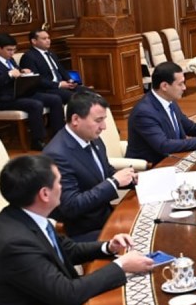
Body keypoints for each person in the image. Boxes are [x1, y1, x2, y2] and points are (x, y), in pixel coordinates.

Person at [0, 154, 155, 305]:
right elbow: (66, 294)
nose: (63, 187)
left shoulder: (25, 215)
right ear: (44, 194)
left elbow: (68, 249)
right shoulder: (14, 243)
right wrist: (121, 266)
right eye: (60, 182)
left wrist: (108, 247)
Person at [43, 91, 137, 242]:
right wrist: (114, 182)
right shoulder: (57, 155)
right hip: (83, 232)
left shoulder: (92, 138)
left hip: (105, 217)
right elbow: (71, 206)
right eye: (98, 120)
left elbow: (105, 171)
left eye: (104, 120)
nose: (104, 127)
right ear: (75, 119)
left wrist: (129, 179)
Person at [0, 32, 65, 150]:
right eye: (9, 50)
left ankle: (58, 135)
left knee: (55, 99)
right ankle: (37, 141)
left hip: (20, 93)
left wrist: (22, 71)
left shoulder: (10, 59)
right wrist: (8, 74)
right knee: (35, 105)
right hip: (4, 99)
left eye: (14, 50)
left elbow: (16, 72)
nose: (12, 53)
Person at [126, 62, 196, 166]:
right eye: (180, 84)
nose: (184, 88)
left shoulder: (169, 101)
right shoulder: (144, 112)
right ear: (164, 86)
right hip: (153, 166)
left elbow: (190, 127)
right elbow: (163, 145)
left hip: (175, 159)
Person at [25, 28, 78, 102]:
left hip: (62, 84)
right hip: (48, 89)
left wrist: (69, 80)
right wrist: (59, 85)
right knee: (75, 97)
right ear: (34, 41)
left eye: (48, 38)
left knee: (88, 92)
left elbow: (61, 69)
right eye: (44, 39)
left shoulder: (51, 53)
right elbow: (37, 79)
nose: (48, 40)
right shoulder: (29, 56)